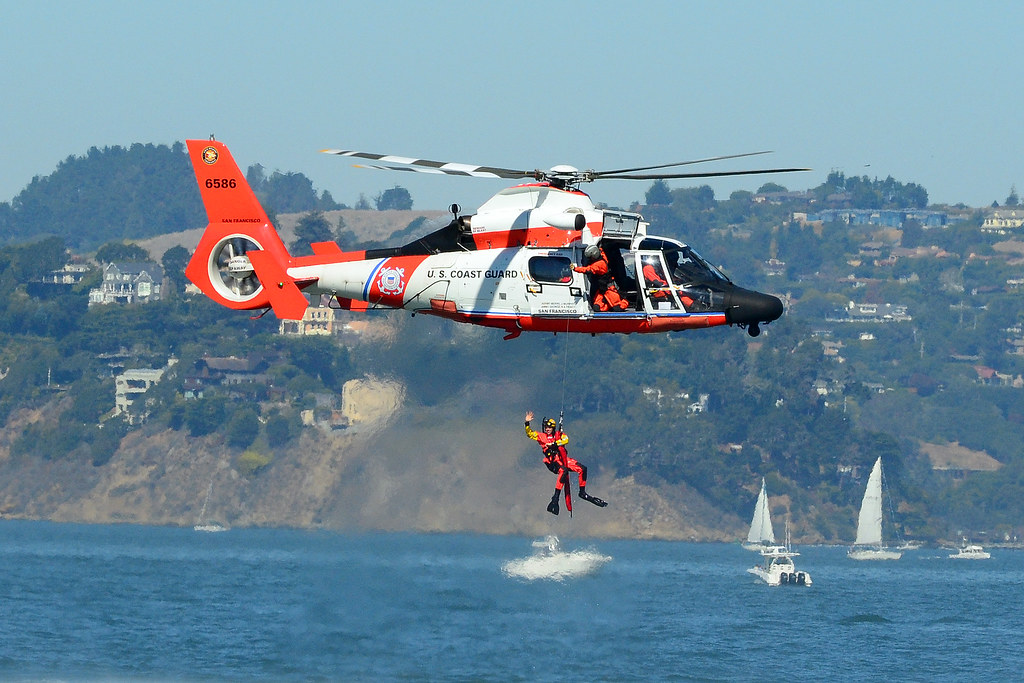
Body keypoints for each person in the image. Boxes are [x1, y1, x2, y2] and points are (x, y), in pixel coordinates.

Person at [524, 411, 607, 514]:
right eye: (546, 427)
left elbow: (566, 439)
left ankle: (582, 492)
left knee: (583, 468)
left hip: (563, 459)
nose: (547, 429)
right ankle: (555, 498)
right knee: (563, 471)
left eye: (549, 427)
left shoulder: (559, 435)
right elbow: (529, 434)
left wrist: (555, 443)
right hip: (552, 462)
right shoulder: (541, 436)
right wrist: (527, 423)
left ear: (553, 428)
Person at [573, 245, 628, 312]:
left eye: (590, 258)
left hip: (609, 289)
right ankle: (608, 304)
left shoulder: (599, 264)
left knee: (617, 308)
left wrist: (575, 268)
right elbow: (601, 250)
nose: (590, 259)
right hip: (601, 290)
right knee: (597, 308)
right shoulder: (602, 256)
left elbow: (588, 270)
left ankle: (625, 301)